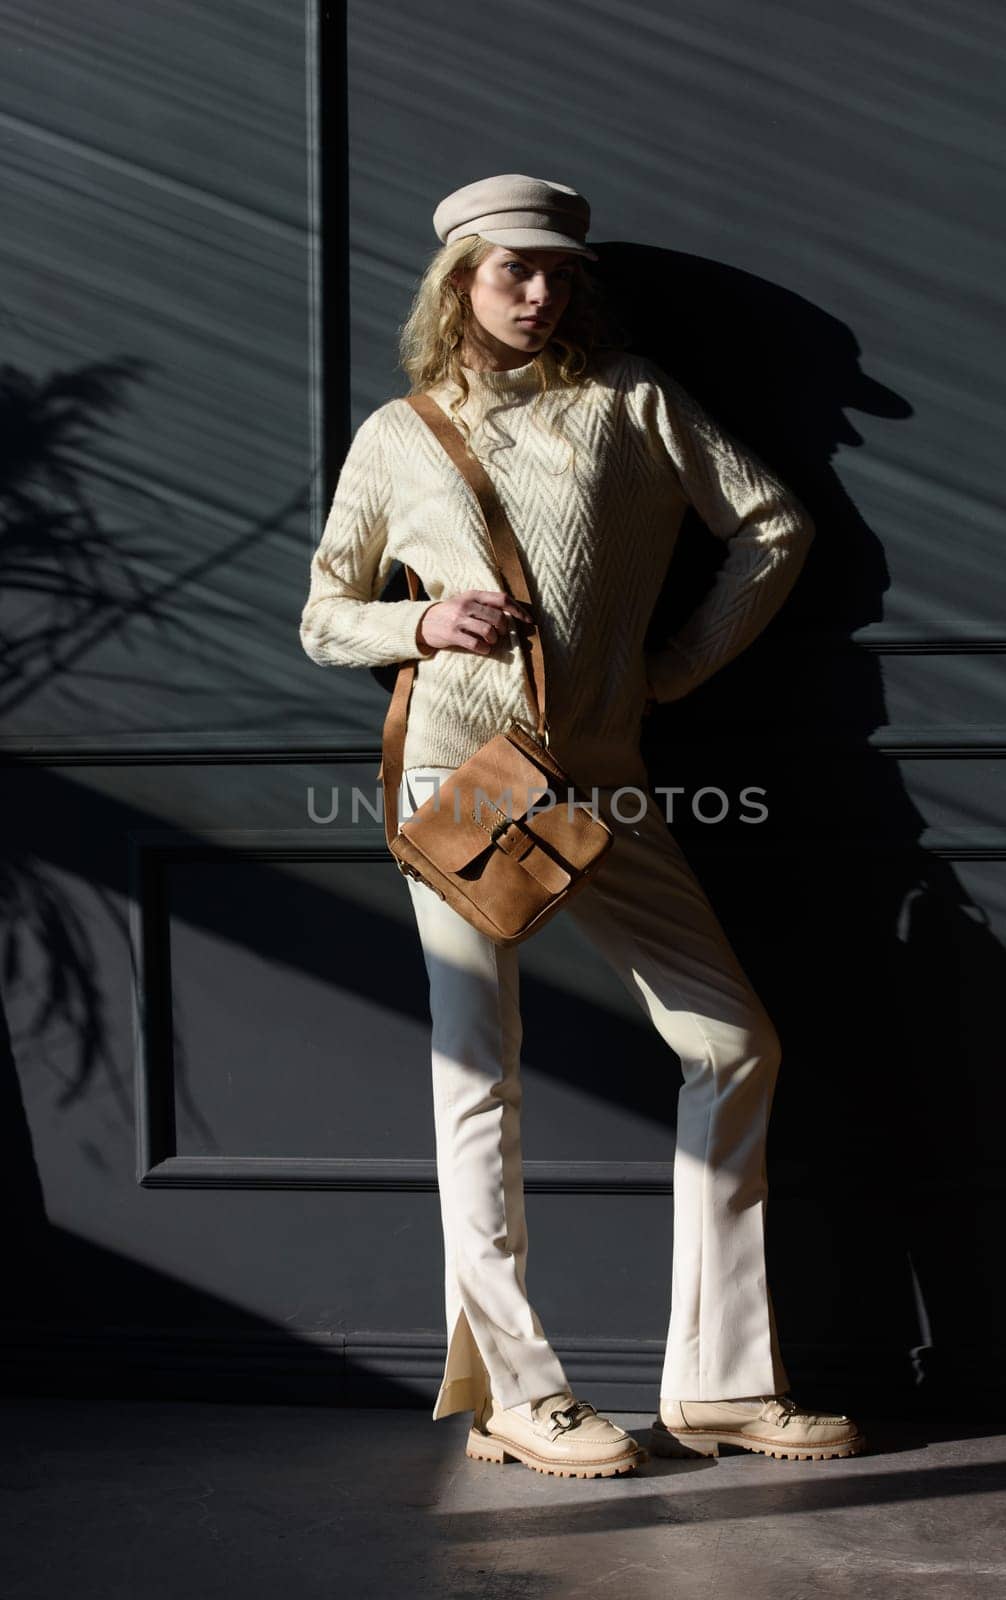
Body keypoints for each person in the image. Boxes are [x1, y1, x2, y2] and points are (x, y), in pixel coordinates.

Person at [299, 173, 865, 1477]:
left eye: (557, 271)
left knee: (733, 1043)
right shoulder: (405, 430)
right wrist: (420, 623)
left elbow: (773, 525)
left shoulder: (635, 399)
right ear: (459, 284)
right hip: (470, 770)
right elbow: (326, 613)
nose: (541, 291)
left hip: (605, 765)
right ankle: (517, 1384)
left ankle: (719, 1383)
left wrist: (672, 670)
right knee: (476, 1068)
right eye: (513, 272)